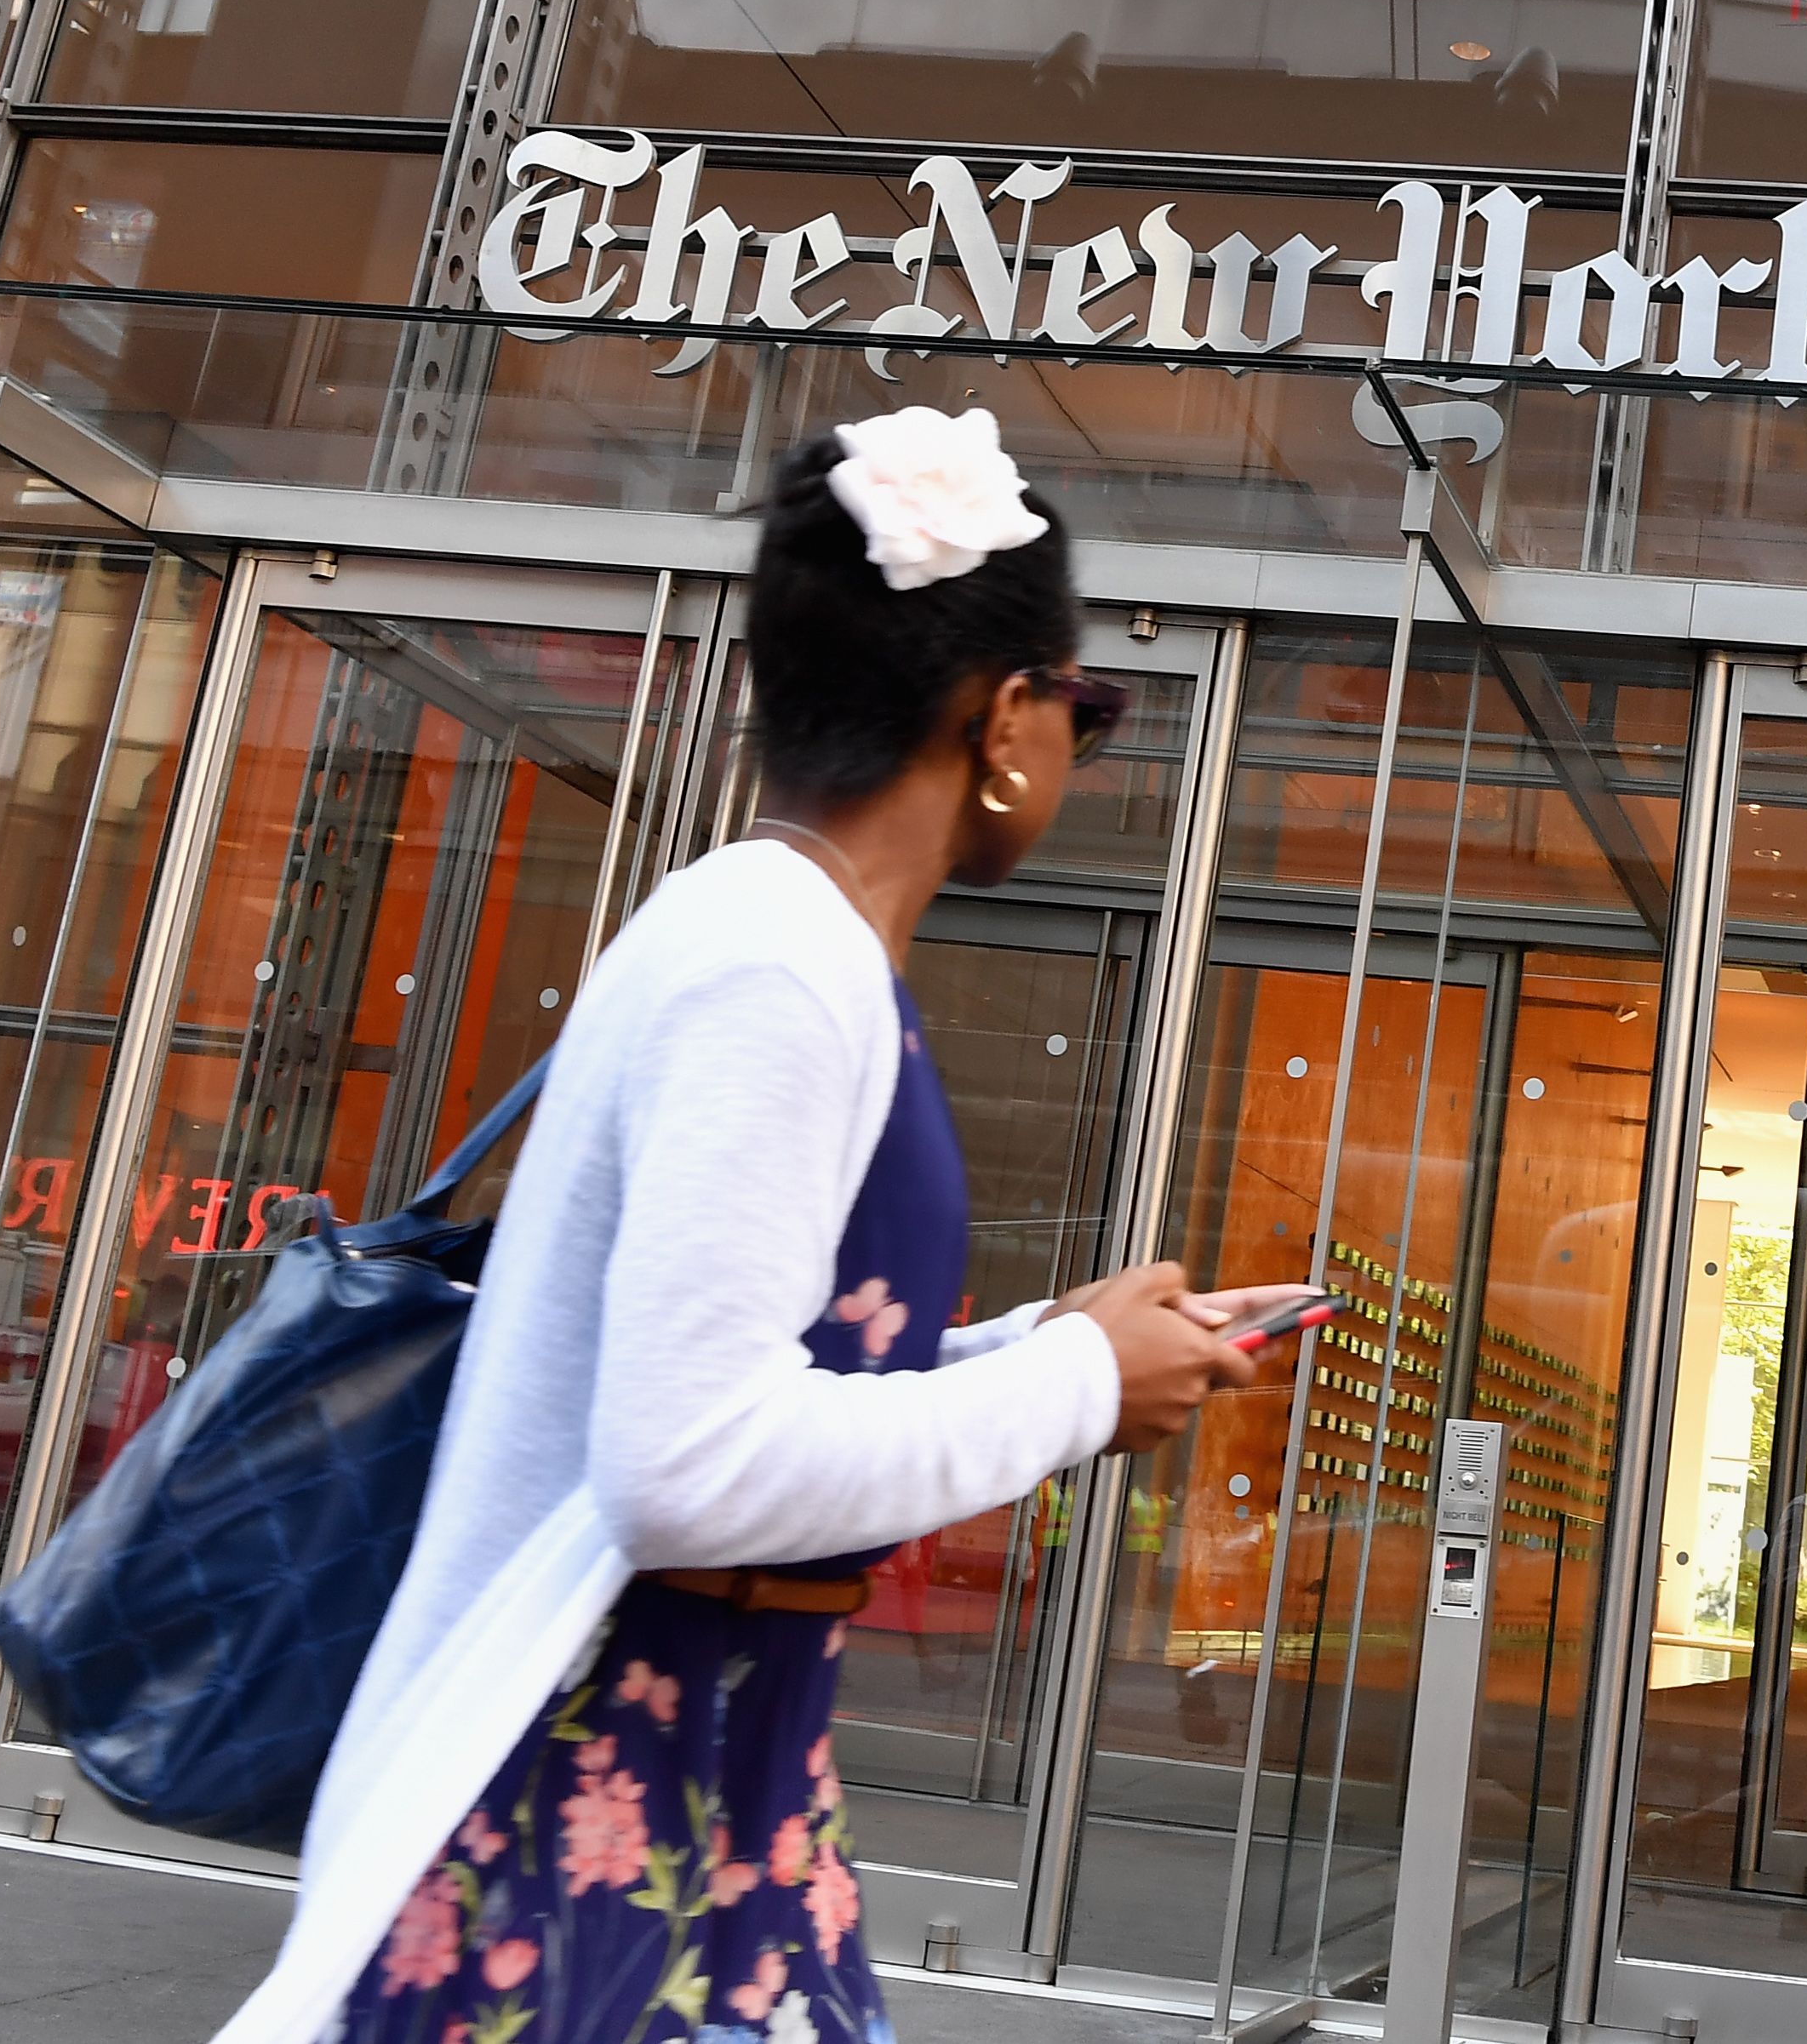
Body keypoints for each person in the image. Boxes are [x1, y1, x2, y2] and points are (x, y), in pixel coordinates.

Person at [214, 405, 1263, 2044]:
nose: (1076, 740)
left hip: (706, 1788)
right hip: (587, 1823)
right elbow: (684, 1466)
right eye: (1085, 702)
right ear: (1004, 716)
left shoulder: (778, 943)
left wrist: (1057, 1348)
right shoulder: (776, 968)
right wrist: (1067, 1391)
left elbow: (751, 1371)